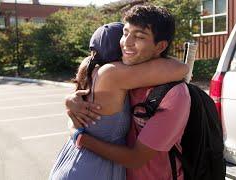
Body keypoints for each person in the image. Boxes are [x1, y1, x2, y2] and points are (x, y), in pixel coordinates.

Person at [49, 20, 189, 179]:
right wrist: (79, 136)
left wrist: (70, 109)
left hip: (75, 162)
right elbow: (181, 68)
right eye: (125, 34)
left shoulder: (91, 69)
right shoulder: (113, 73)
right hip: (90, 169)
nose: (129, 43)